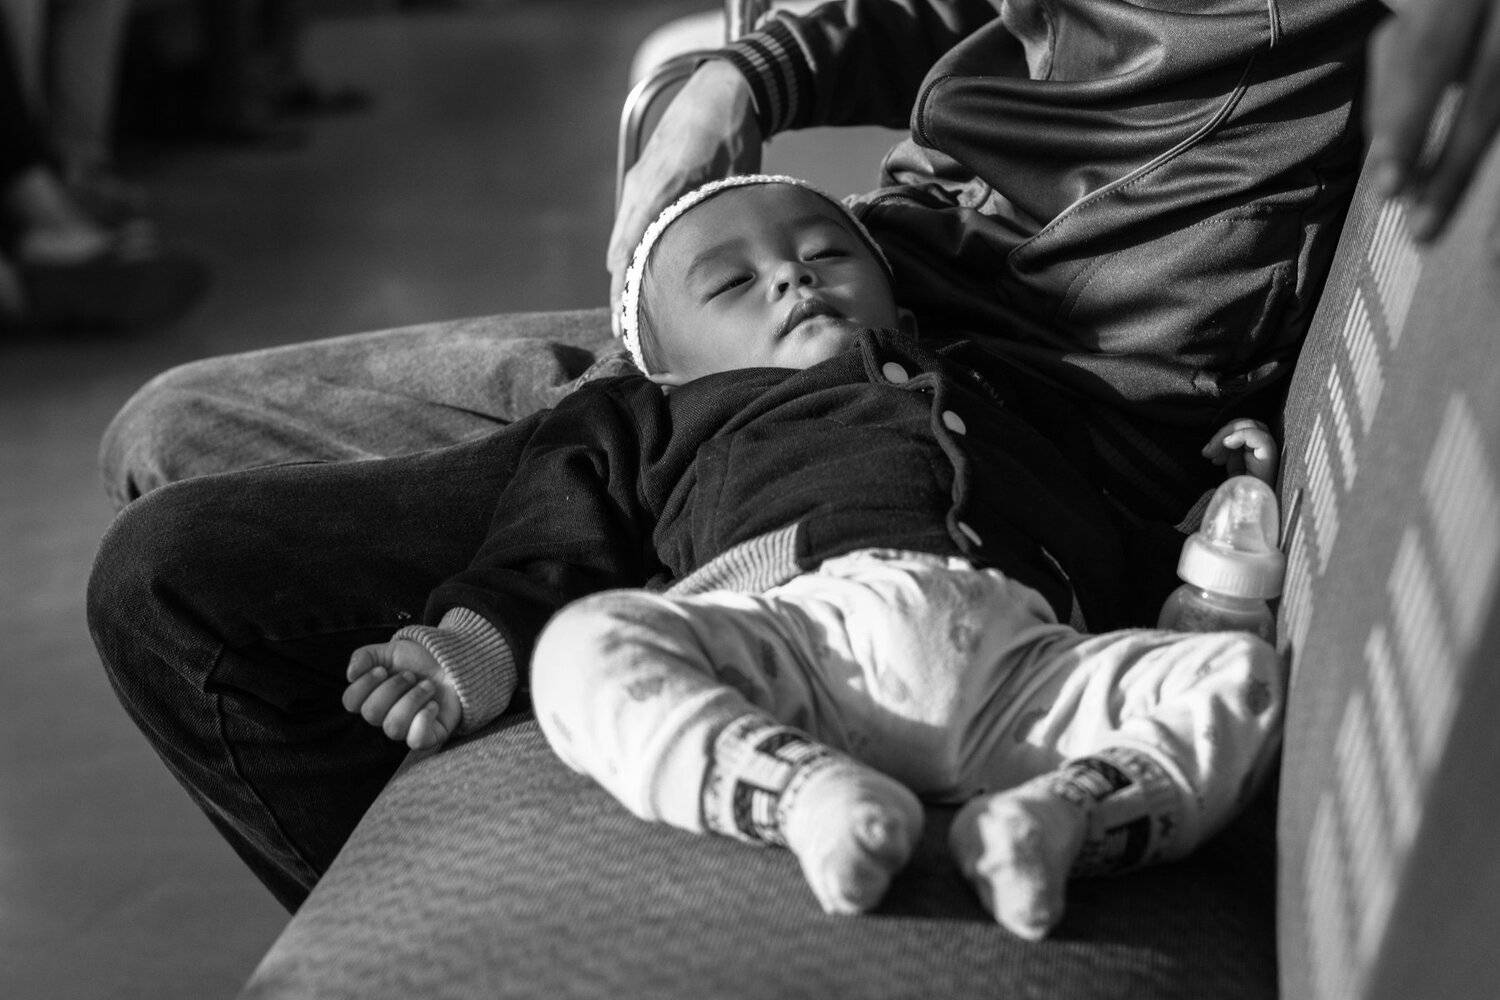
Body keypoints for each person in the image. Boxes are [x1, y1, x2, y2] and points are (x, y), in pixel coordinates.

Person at [88, 0, 1495, 910]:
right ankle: (495, 723)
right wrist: (741, 76)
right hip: (863, 277)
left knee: (179, 570)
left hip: (1014, 386)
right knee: (173, 433)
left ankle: (513, 848)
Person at [338, 175, 1285, 939]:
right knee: (582, 654)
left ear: (893, 297)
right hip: (798, 643)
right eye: (730, 284)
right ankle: (794, 788)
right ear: (662, 361)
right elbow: (552, 540)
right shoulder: (655, 416)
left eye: (825, 253)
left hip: (1026, 665)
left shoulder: (988, 379)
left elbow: (1099, 498)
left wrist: (1194, 496)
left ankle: (1065, 818)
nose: (794, 278)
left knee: (1242, 677)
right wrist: (464, 650)